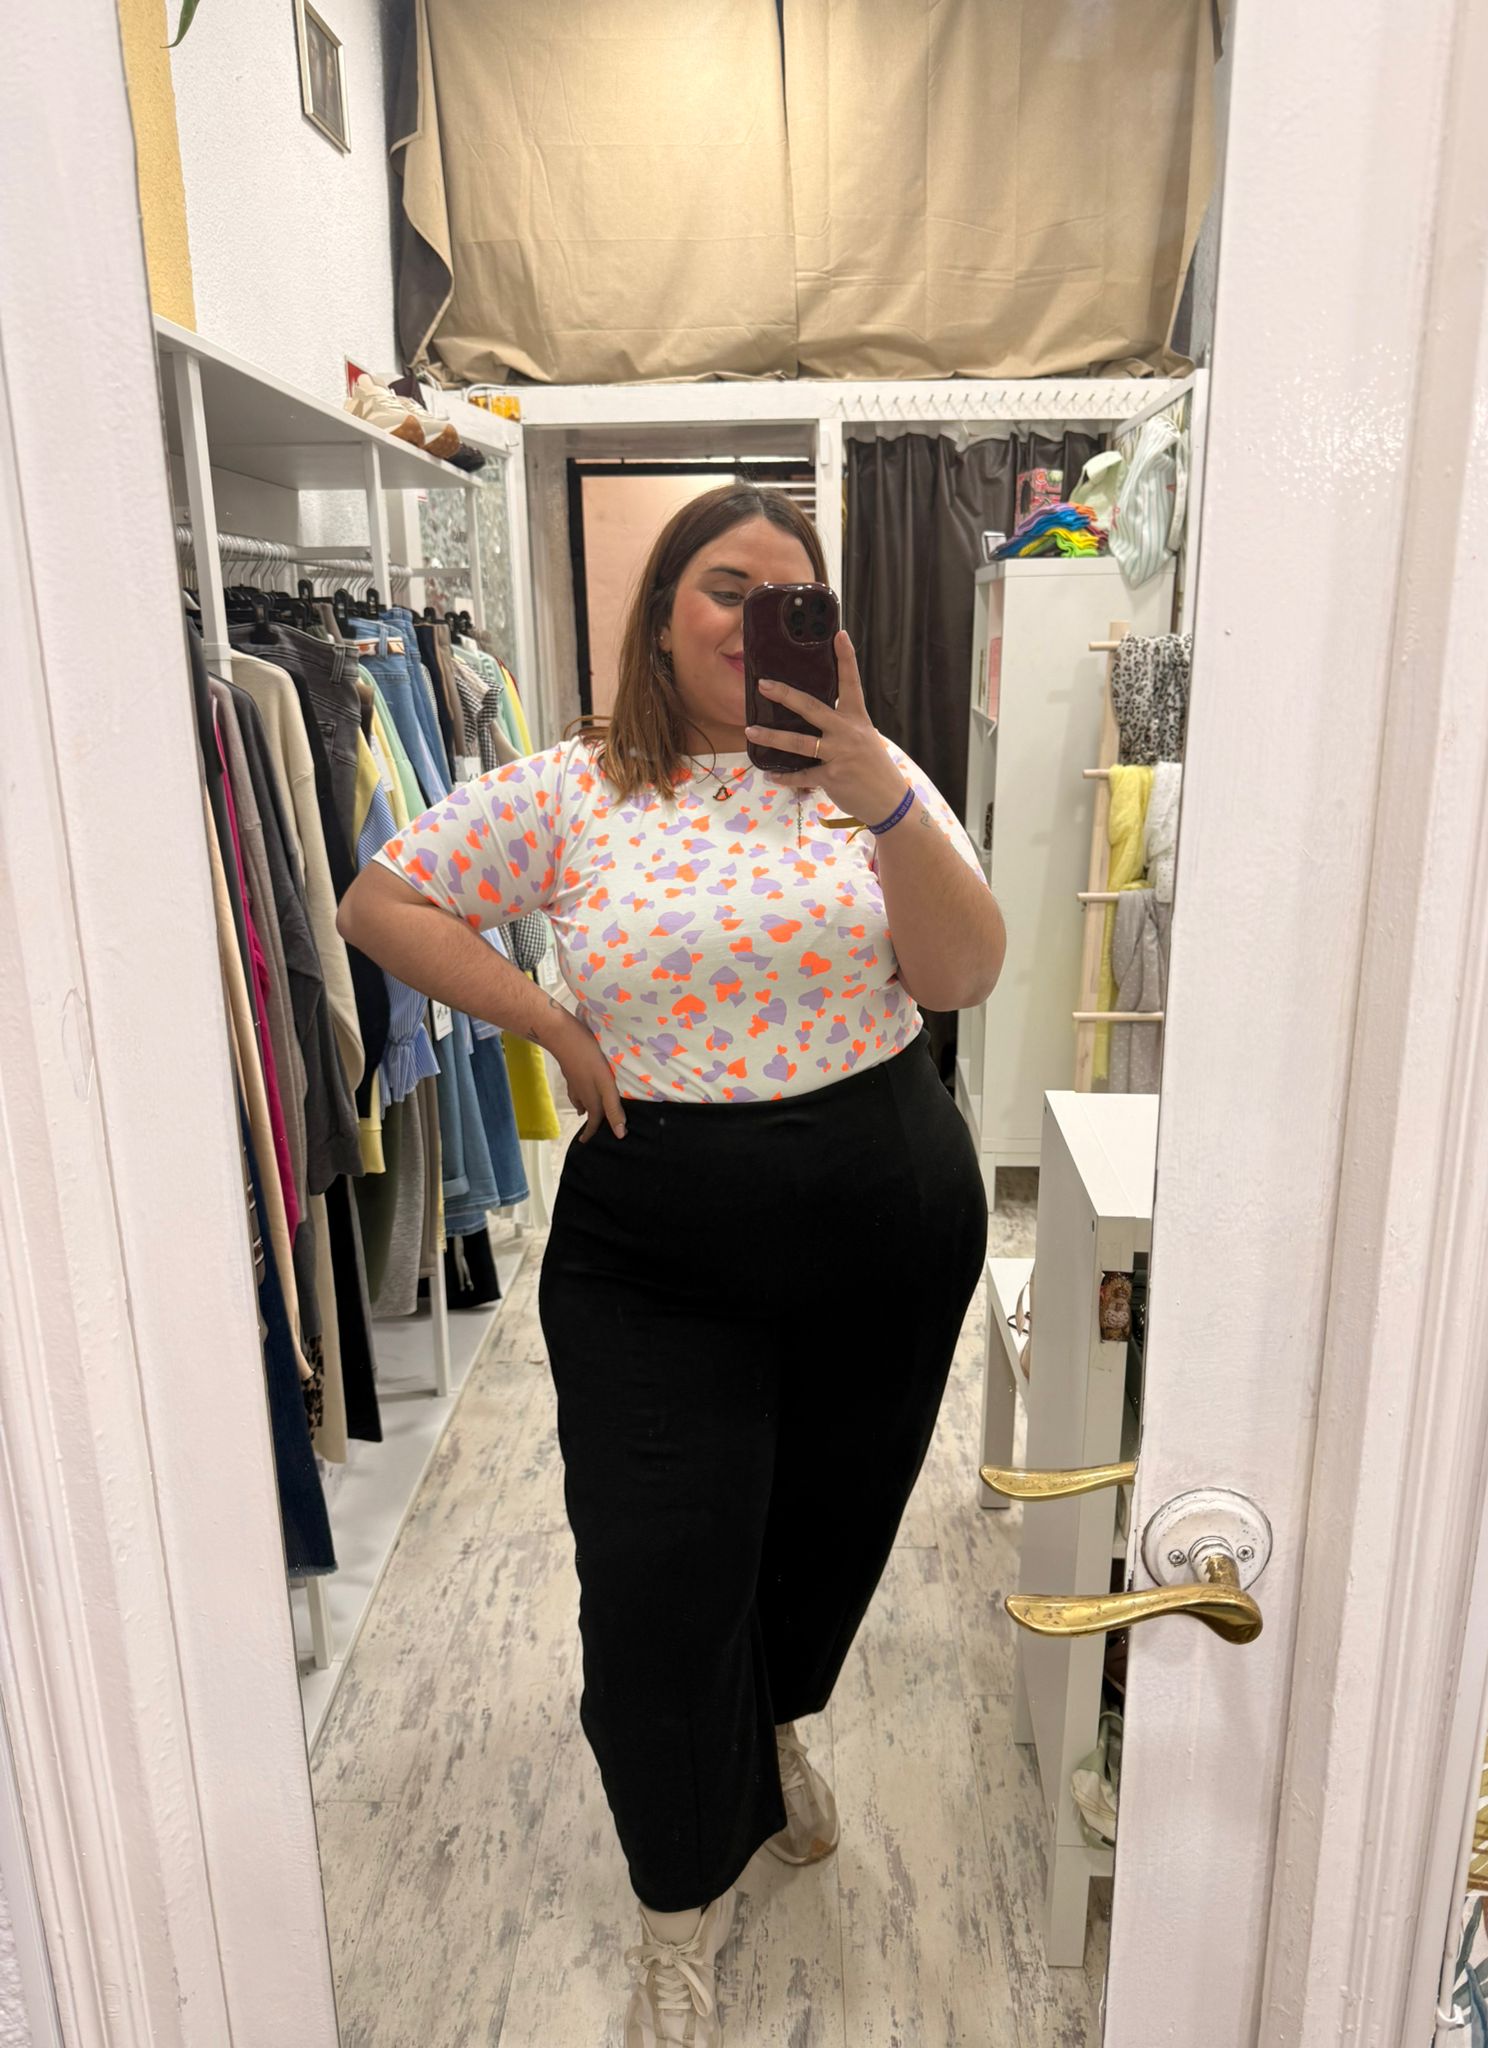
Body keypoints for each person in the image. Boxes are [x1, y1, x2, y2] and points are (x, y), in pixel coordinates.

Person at [337, 485, 1003, 2045]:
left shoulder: (877, 782)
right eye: (724, 586)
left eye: (790, 593)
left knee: (823, 1531)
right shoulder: (574, 787)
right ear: (658, 618)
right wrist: (550, 1023)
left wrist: (878, 793)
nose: (756, 618)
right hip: (658, 1246)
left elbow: (960, 974)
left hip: (886, 1215)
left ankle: (770, 1729)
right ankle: (673, 1898)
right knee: (653, 1582)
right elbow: (380, 900)